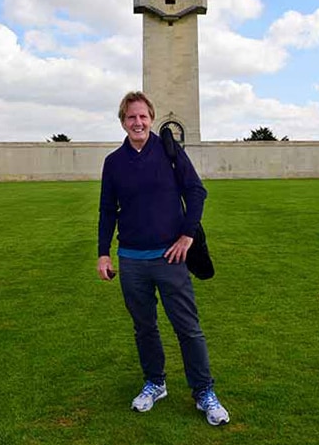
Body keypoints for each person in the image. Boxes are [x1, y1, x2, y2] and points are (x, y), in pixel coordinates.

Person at [97, 91, 230, 426]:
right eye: (131, 117)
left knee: (188, 328)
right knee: (144, 328)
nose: (138, 123)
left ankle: (204, 392)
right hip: (130, 259)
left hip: (170, 258)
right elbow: (106, 211)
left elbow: (197, 191)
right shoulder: (113, 162)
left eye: (143, 116)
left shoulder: (170, 152)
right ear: (123, 121)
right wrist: (103, 254)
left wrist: (187, 235)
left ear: (151, 118)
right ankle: (155, 383)